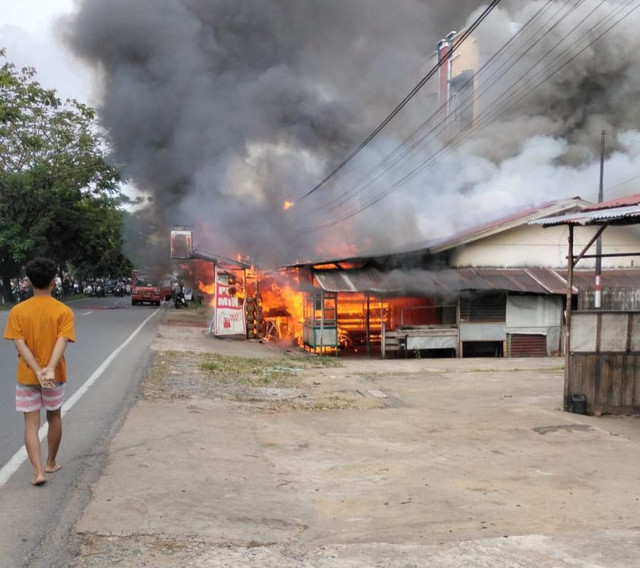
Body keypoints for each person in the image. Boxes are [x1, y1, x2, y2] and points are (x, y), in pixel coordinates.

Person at [3, 258, 76, 486]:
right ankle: (50, 462)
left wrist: (36, 370)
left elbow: (19, 343)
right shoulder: (63, 311)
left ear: (30, 282)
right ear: (53, 282)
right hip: (54, 377)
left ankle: (37, 472)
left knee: (30, 424)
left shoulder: (17, 311)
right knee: (54, 416)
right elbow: (62, 340)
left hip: (27, 376)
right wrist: (49, 369)